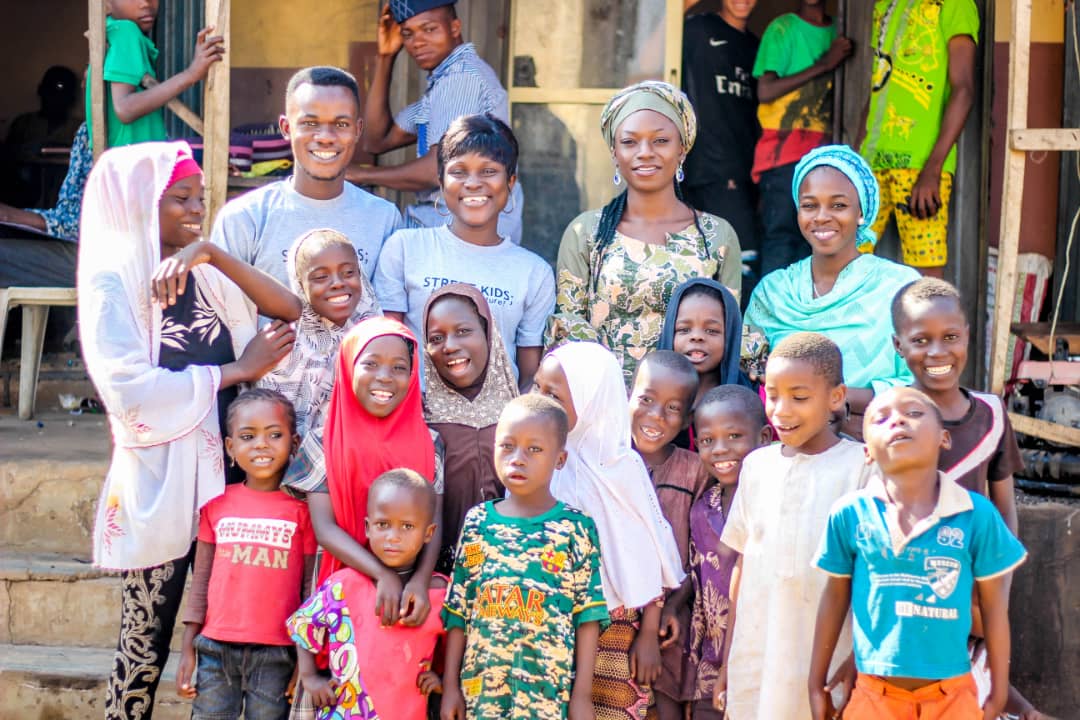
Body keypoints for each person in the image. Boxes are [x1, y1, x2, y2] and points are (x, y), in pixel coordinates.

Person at [78, 141, 299, 719]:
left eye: (200, 197)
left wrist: (213, 254)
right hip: (163, 484)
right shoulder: (113, 285)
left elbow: (288, 310)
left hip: (234, 481)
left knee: (239, 634)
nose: (197, 209)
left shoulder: (208, 275)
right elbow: (127, 389)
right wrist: (236, 371)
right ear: (139, 203)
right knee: (143, 643)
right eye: (180, 198)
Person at [809, 386, 1027, 720]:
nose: (897, 421)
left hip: (953, 697)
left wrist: (999, 688)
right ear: (867, 452)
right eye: (881, 418)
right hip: (873, 696)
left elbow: (994, 607)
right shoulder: (850, 513)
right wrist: (815, 682)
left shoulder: (976, 514)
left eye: (913, 413)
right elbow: (835, 596)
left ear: (944, 438)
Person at [716, 332, 870, 719]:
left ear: (836, 397)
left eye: (799, 397)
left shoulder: (862, 468)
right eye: (773, 396)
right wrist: (727, 663)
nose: (781, 411)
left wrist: (857, 660)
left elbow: (873, 578)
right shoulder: (757, 466)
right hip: (756, 661)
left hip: (827, 667)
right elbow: (743, 566)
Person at [550, 81, 742, 386]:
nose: (645, 153)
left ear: (682, 148)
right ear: (614, 152)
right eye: (630, 142)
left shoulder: (717, 237)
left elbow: (728, 333)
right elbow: (569, 329)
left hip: (689, 405)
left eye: (660, 141)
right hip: (603, 400)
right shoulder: (586, 232)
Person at [534, 341, 685, 717]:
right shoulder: (538, 459)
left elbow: (651, 556)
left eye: (553, 395)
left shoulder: (623, 469)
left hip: (617, 629)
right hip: (551, 621)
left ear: (591, 401)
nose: (539, 402)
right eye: (537, 388)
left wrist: (648, 632)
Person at [440, 394, 608, 720]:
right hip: (481, 695)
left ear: (559, 459)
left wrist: (582, 696)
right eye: (507, 446)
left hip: (547, 698)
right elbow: (459, 609)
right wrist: (450, 688)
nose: (517, 459)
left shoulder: (575, 528)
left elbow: (587, 616)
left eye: (534, 449)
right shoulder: (478, 523)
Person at [745, 144, 920, 437]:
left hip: (876, 443)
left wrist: (828, 400)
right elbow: (750, 374)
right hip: (787, 446)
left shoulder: (900, 289)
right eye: (809, 205)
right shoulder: (772, 294)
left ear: (862, 211)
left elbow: (922, 381)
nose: (822, 217)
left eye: (838, 205)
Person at [373, 114, 554, 387]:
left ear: (510, 182)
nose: (473, 183)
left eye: (489, 171)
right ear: (441, 181)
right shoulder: (404, 249)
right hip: (415, 411)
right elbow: (386, 351)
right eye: (459, 171)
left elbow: (530, 377)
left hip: (500, 414)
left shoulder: (534, 273)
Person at [176, 390, 316, 720]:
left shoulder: (304, 511)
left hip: (277, 653)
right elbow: (201, 582)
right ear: (230, 447)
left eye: (275, 435)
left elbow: (309, 591)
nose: (261, 445)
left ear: (294, 443)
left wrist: (305, 660)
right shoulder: (216, 503)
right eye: (248, 436)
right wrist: (187, 648)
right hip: (215, 648)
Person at [212, 67, 403, 289]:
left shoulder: (384, 219)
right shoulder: (245, 218)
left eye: (341, 124)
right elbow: (218, 303)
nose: (326, 137)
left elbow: (388, 307)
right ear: (286, 127)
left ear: (358, 130)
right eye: (310, 123)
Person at [348, 0, 523, 243]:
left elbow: (436, 171)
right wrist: (386, 56)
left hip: (463, 234)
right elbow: (377, 140)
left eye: (429, 29)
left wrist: (359, 174)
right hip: (445, 227)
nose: (417, 42)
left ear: (455, 27)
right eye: (408, 34)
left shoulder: (462, 78)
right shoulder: (444, 83)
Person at [289, 468, 447, 720]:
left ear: (428, 533)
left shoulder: (438, 595)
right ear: (368, 527)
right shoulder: (343, 585)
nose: (393, 537)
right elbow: (303, 625)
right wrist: (309, 677)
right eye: (383, 525)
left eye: (407, 526)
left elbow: (457, 643)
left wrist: (442, 679)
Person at [860, 0, 978, 277]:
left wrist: (933, 169)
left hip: (919, 165)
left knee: (925, 273)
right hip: (870, 162)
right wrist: (855, 158)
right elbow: (878, 87)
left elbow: (964, 91)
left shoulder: (956, 4)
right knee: (847, 260)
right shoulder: (884, 5)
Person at [257, 229, 381, 492]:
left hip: (362, 481)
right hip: (286, 487)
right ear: (300, 285)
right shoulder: (281, 345)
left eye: (349, 272)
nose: (337, 283)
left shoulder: (378, 340)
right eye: (320, 277)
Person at [628, 350, 712, 720]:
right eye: (646, 399)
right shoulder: (608, 461)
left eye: (673, 408)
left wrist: (674, 607)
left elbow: (700, 553)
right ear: (628, 396)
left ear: (688, 419)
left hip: (670, 620)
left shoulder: (694, 471)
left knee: (666, 698)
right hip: (614, 615)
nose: (656, 415)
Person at [421, 283, 518, 572]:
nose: (450, 345)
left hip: (514, 571)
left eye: (463, 331)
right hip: (440, 578)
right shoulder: (420, 419)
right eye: (436, 338)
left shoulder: (519, 416)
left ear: (488, 334)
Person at [688, 385, 771, 720]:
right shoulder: (700, 512)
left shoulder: (778, 502)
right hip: (713, 669)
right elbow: (699, 594)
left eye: (734, 436)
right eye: (707, 440)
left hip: (769, 664)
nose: (720, 449)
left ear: (764, 438)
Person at [751, 1, 852, 276]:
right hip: (783, 157)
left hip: (824, 160)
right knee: (782, 241)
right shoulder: (783, 29)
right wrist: (824, 65)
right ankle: (771, 305)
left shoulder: (841, 31)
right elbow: (765, 91)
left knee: (816, 244)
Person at [681, 0, 760, 281]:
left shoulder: (756, 46)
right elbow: (655, 43)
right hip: (698, 165)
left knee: (739, 263)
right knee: (704, 264)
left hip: (742, 168)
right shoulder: (699, 28)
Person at [88, 0, 224, 149]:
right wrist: (191, 74)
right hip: (132, 159)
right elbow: (125, 108)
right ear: (106, 4)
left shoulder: (112, 32)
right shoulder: (125, 32)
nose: (146, 3)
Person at [0, 121, 90, 288]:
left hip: (100, 260)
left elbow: (82, 227)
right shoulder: (88, 130)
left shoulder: (94, 131)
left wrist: (10, 216)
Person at [659, 277, 750, 406]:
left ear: (730, 337)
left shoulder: (749, 401)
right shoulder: (648, 395)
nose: (697, 337)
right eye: (684, 329)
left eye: (711, 331)